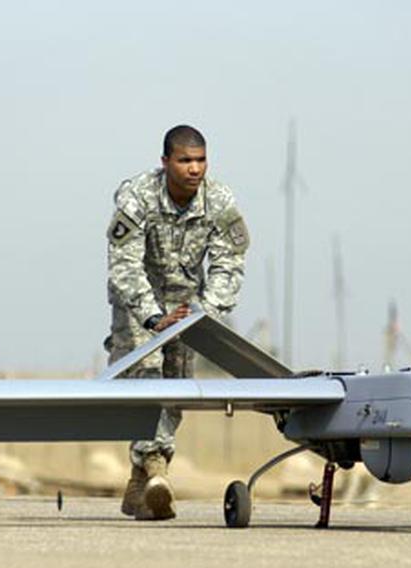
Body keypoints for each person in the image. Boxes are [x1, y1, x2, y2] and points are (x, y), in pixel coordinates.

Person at [105, 124, 249, 520]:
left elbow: (228, 267)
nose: (194, 169)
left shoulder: (219, 200)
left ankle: (141, 484)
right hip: (140, 305)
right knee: (144, 380)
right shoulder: (137, 197)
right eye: (185, 160)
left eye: (201, 160)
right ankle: (156, 468)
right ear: (165, 162)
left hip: (188, 308)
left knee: (176, 386)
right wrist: (153, 317)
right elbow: (124, 265)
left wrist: (204, 314)